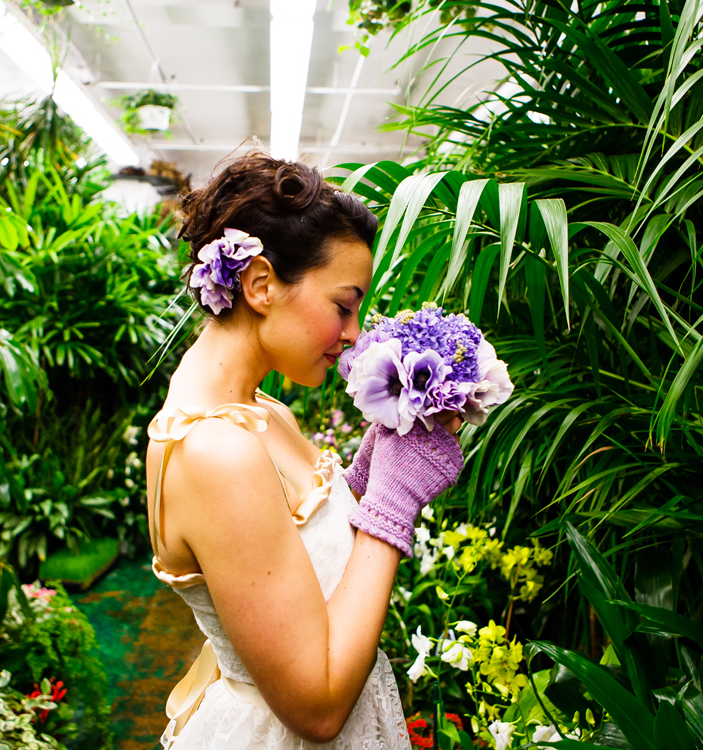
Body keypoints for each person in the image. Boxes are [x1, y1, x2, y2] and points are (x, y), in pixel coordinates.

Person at [145, 152, 465, 749]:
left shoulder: (261, 411)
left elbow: (296, 562)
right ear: (261, 284)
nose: (353, 333)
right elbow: (316, 709)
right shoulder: (217, 452)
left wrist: (372, 471)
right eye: (344, 306)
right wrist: (393, 503)